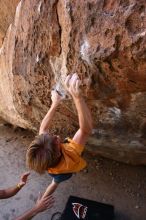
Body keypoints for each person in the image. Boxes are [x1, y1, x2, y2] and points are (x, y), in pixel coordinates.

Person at [26, 73, 93, 197]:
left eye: (51, 136)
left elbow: (43, 128)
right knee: (55, 182)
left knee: (54, 181)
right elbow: (85, 130)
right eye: (56, 141)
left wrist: (55, 103)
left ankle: (42, 198)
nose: (57, 136)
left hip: (52, 168)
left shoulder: (44, 147)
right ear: (58, 153)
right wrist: (77, 98)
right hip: (63, 172)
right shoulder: (70, 154)